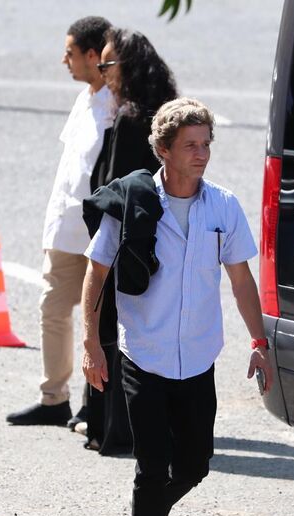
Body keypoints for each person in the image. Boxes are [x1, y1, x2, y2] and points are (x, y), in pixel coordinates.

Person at [81, 98, 274, 516]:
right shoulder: (133, 204)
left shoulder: (223, 206)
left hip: (197, 358)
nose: (202, 154)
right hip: (143, 355)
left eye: (206, 144)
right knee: (151, 466)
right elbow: (96, 274)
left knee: (194, 465)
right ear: (163, 149)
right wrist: (90, 345)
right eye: (191, 145)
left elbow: (241, 281)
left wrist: (260, 342)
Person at [5, 16, 116, 426]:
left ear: (92, 55)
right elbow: (69, 169)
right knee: (52, 308)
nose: (63, 60)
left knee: (97, 318)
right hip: (65, 227)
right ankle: (53, 399)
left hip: (97, 232)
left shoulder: (117, 108)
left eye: (70, 52)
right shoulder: (84, 99)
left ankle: (94, 404)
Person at [77, 28, 179, 454]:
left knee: (112, 329)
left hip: (125, 239)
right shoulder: (162, 113)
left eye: (108, 64)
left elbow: (114, 186)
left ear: (128, 66)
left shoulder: (130, 118)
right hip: (162, 237)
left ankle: (111, 426)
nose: (104, 73)